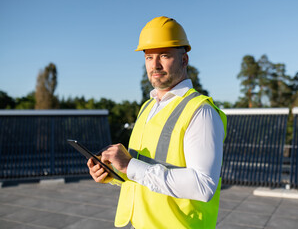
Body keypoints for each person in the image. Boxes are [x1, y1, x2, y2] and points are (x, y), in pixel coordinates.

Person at [87, 16, 227, 229]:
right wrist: (112, 173)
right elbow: (142, 170)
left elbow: (203, 185)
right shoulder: (147, 107)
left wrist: (129, 164)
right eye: (149, 57)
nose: (155, 65)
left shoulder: (200, 111)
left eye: (164, 55)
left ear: (184, 60)